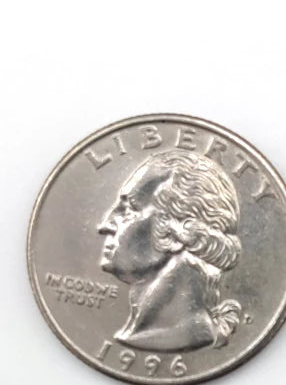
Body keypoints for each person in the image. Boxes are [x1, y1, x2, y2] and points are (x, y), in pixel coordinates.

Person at [98, 150, 242, 352]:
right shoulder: (139, 334)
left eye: (129, 209)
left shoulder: (181, 336)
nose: (105, 224)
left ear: (179, 230)